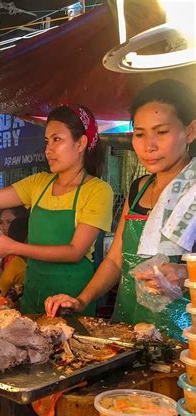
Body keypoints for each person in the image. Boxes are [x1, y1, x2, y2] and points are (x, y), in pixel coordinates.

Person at [45, 79, 195, 340]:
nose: (148, 146)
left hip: (185, 339)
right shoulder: (138, 189)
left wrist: (185, 273)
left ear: (190, 131)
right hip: (130, 327)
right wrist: (82, 300)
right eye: (139, 134)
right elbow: (116, 260)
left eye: (161, 132)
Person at [0, 104, 113, 314]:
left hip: (70, 299)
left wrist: (14, 247)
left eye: (57, 139)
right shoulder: (38, 184)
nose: (48, 150)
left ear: (80, 143)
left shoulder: (97, 190)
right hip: (34, 292)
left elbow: (75, 251)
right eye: (46, 141)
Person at [0, 216, 28, 301]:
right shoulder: (4, 257)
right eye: (1, 222)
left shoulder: (18, 265)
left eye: (9, 222)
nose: (4, 227)